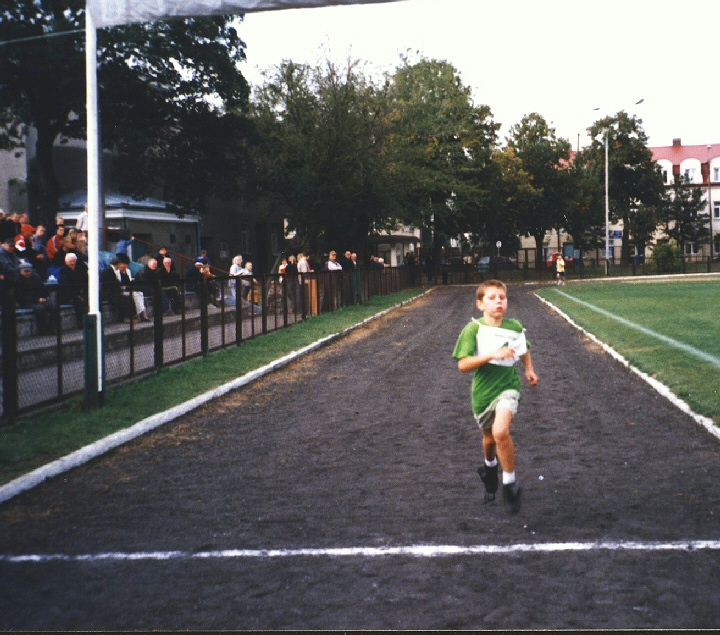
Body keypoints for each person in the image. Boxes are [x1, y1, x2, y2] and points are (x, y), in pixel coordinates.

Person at [452, 280, 539, 514]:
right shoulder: (473, 330)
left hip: (508, 386)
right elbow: (463, 365)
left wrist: (529, 369)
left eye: (502, 297)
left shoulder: (514, 327)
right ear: (480, 304)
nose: (498, 301)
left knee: (501, 432)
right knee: (489, 439)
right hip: (482, 392)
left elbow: (524, 348)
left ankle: (510, 484)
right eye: (492, 297)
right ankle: (490, 468)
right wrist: (493, 355)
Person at [16, 261, 51, 334]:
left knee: (53, 306)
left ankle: (51, 328)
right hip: (26, 302)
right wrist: (37, 299)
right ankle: (42, 330)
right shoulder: (18, 281)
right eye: (25, 271)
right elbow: (21, 296)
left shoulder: (36, 278)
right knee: (40, 309)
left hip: (38, 300)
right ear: (20, 271)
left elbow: (43, 289)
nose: (28, 273)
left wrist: (43, 297)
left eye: (29, 271)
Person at [100, 257, 138, 323]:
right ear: (117, 264)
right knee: (123, 299)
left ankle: (131, 316)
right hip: (109, 293)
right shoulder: (108, 271)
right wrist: (119, 291)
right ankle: (124, 317)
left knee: (128, 298)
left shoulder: (111, 270)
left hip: (112, 291)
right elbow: (112, 284)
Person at [58, 252, 88, 325]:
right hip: (68, 294)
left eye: (74, 261)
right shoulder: (64, 270)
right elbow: (66, 285)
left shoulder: (79, 269)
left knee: (88, 299)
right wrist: (76, 295)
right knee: (79, 302)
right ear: (66, 262)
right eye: (71, 261)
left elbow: (85, 281)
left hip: (80, 292)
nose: (73, 263)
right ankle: (81, 323)